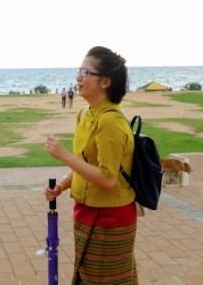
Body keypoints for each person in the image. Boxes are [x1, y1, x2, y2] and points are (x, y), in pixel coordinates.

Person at [44, 46, 137, 284]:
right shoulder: (85, 114)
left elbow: (108, 179)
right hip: (86, 211)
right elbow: (84, 164)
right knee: (87, 277)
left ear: (105, 82)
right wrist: (63, 185)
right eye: (79, 70)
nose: (79, 77)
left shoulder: (110, 122)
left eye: (86, 72)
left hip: (110, 217)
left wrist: (64, 155)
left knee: (105, 279)